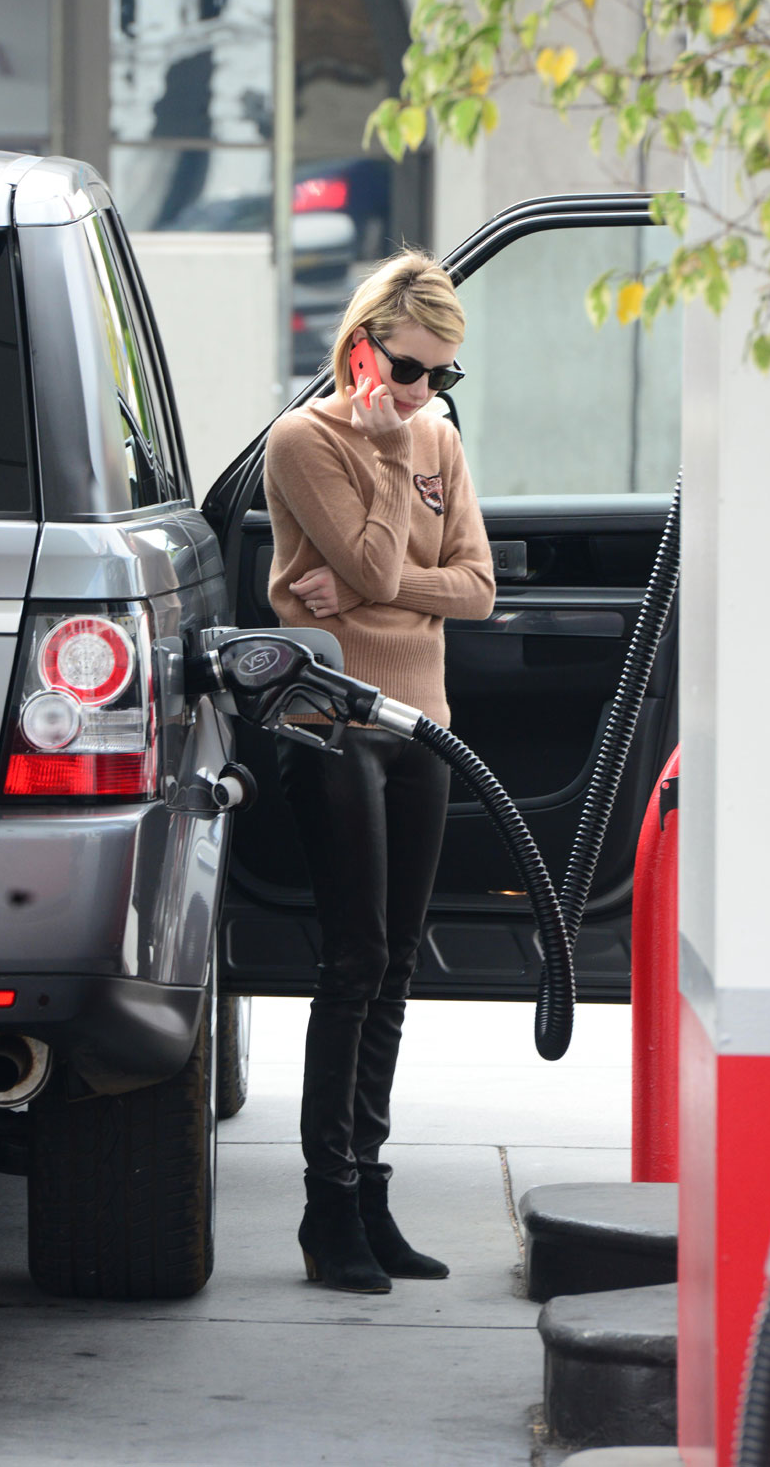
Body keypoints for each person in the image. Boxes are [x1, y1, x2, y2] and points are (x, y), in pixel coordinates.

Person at [264, 250, 495, 1294]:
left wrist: (377, 591)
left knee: (401, 962)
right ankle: (330, 1207)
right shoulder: (303, 441)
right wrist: (394, 462)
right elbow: (360, 564)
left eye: (443, 375)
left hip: (424, 723)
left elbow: (478, 587)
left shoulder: (438, 436)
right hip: (336, 721)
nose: (425, 394)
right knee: (353, 958)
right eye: (410, 369)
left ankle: (373, 1184)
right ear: (363, 350)